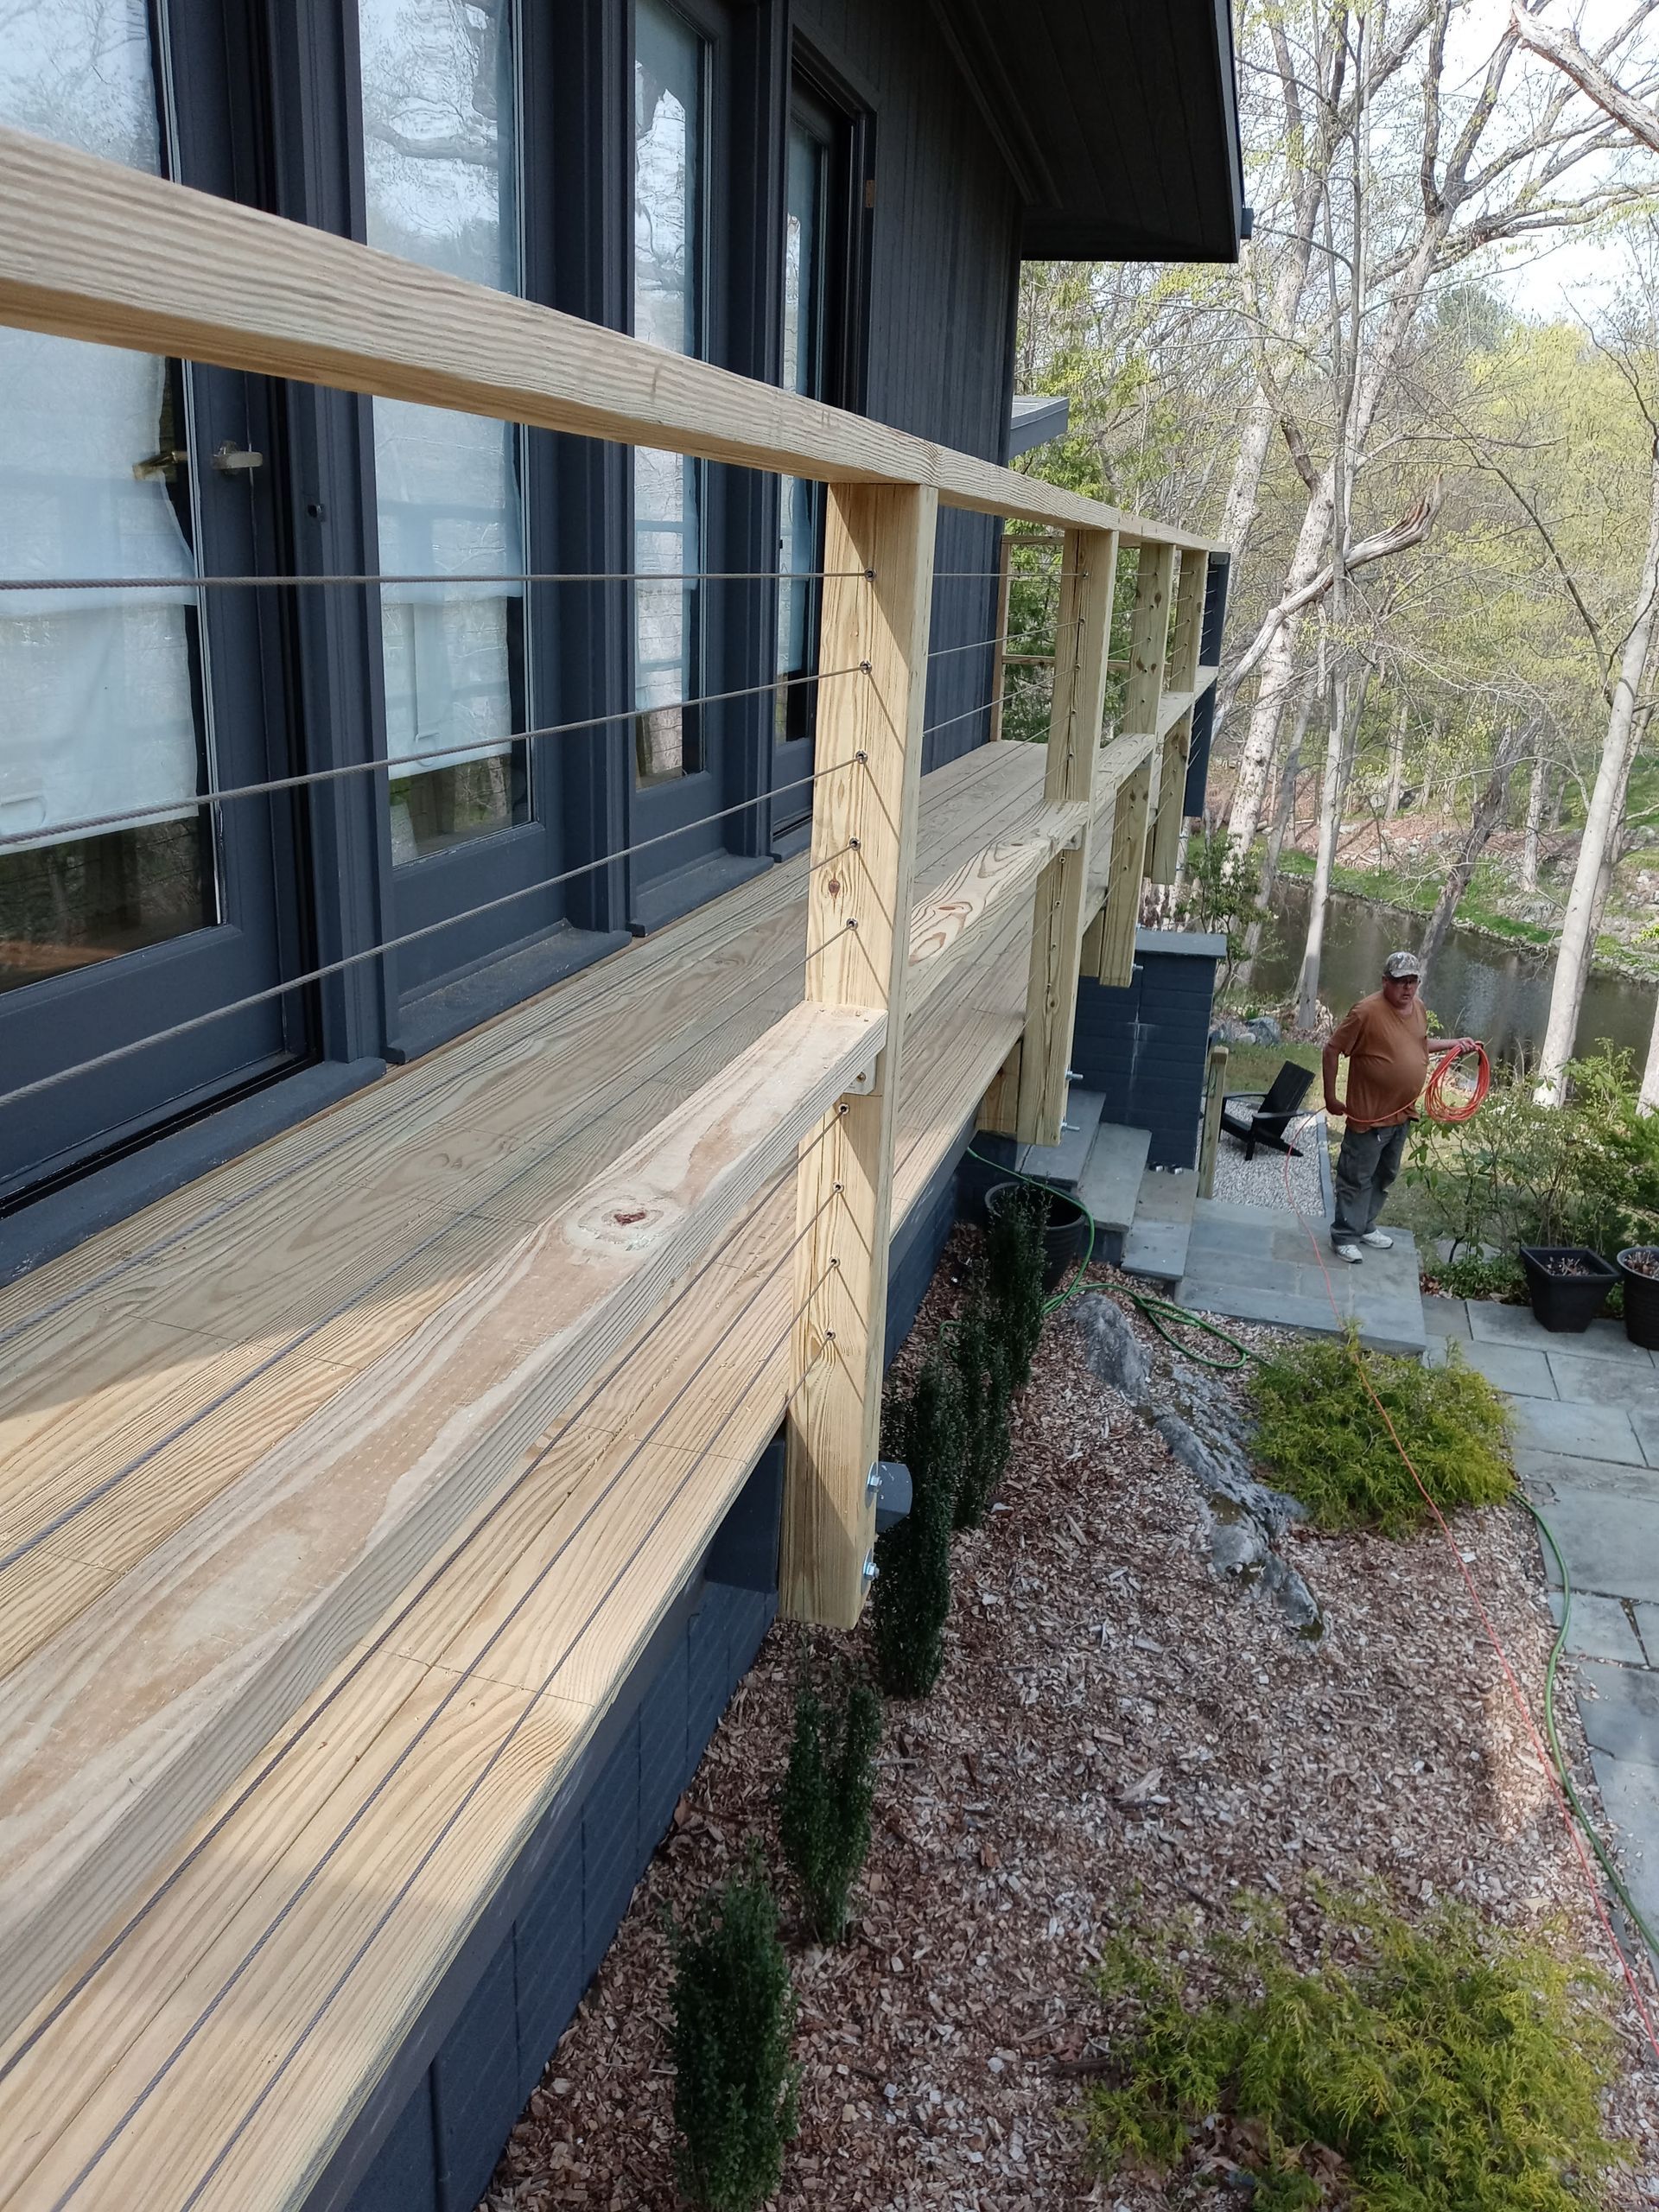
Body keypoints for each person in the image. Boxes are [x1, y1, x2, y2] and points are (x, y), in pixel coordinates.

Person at [1321, 950, 1475, 1264]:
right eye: (1400, 981)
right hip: (1369, 1116)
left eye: (1412, 981)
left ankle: (1364, 1225)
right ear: (1385, 982)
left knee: (1385, 1173)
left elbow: (1418, 1045)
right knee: (1356, 1176)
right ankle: (1344, 1236)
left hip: (1401, 1114)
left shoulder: (1418, 1007)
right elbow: (1332, 1049)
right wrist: (1330, 1098)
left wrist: (1454, 1043)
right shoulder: (1366, 1012)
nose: (1407, 988)